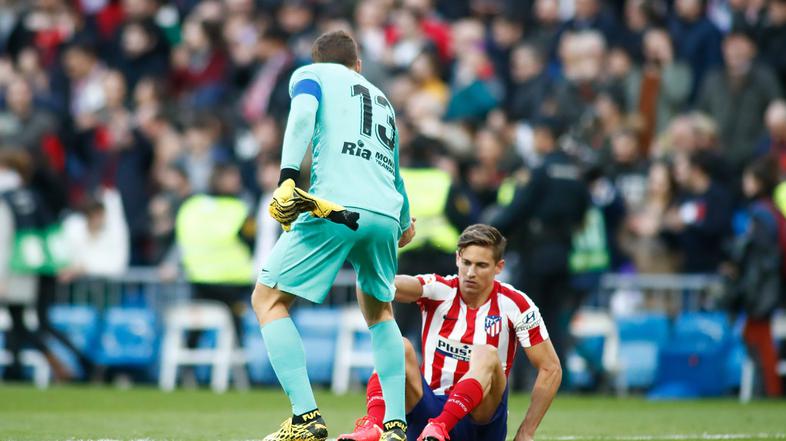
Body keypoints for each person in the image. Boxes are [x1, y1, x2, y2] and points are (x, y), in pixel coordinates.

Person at [251, 30, 414, 441]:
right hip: (385, 213)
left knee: (268, 299)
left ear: (319, 59)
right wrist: (406, 221)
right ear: (357, 65)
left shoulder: (313, 74)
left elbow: (302, 115)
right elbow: (393, 168)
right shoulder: (383, 100)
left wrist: (288, 176)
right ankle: (395, 425)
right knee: (380, 314)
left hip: (336, 206)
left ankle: (305, 417)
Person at [339, 224, 561, 441]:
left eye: (481, 265)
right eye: (466, 263)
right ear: (457, 259)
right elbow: (383, 284)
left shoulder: (516, 304)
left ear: (498, 267)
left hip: (479, 422)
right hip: (429, 410)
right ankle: (374, 425)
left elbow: (550, 368)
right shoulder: (439, 289)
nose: (471, 273)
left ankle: (441, 426)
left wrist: (526, 432)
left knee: (486, 353)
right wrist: (382, 245)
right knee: (398, 345)